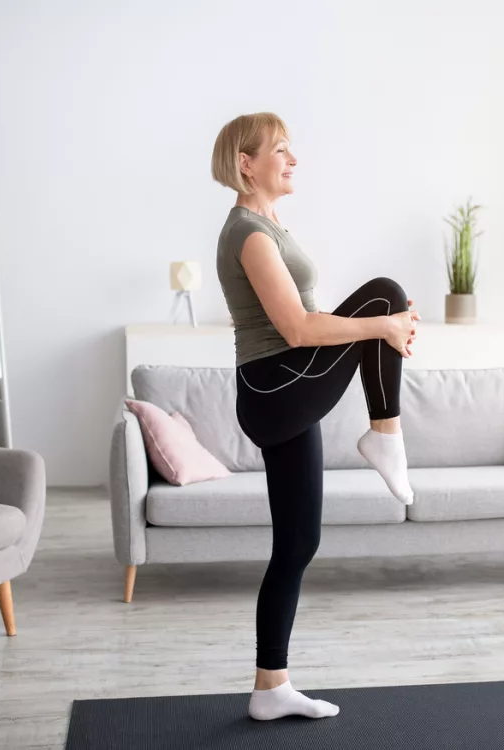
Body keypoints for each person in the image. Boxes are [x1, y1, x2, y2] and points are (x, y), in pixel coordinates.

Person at [211, 112, 420, 721]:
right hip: (274, 387)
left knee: (299, 542)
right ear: (246, 164)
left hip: (286, 385)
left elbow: (310, 321)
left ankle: (269, 687)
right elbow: (298, 329)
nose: (293, 158)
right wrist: (381, 326)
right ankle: (387, 435)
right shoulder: (249, 232)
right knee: (385, 295)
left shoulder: (270, 223)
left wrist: (380, 336)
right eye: (280, 149)